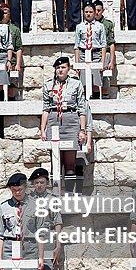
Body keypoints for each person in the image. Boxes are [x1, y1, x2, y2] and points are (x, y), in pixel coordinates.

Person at [41, 57, 87, 194]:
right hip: (54, 121)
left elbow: (82, 108)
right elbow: (46, 108)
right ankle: (55, 191)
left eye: (63, 67)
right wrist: (43, 129)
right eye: (58, 68)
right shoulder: (48, 85)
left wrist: (82, 130)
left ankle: (68, 192)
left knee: (70, 161)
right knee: (55, 159)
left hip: (71, 120)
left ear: (68, 68)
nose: (60, 70)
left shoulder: (76, 84)